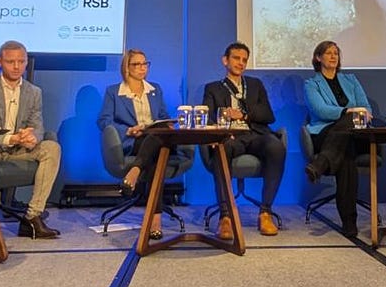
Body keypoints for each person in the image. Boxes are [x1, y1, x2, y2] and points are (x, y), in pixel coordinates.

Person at [0, 40, 62, 242]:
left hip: (20, 150)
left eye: (21, 61)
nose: (17, 66)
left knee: (51, 147)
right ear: (0, 62)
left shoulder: (34, 92)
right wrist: (10, 138)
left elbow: (37, 125)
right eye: (11, 62)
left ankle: (32, 218)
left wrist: (32, 138)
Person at [97, 48, 184, 241]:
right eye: (137, 64)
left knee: (155, 137)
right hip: (135, 141)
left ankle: (135, 170)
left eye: (145, 63)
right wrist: (128, 130)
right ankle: (155, 220)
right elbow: (104, 121)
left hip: (157, 139)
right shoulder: (114, 92)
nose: (142, 68)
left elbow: (162, 116)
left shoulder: (155, 90)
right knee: (155, 153)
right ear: (126, 68)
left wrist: (168, 123)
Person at [203, 41, 286, 238]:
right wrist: (218, 133)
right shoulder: (213, 88)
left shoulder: (255, 85)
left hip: (255, 134)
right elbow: (208, 117)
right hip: (230, 136)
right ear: (225, 61)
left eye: (244, 60)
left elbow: (268, 115)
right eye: (236, 58)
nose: (240, 63)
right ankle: (225, 217)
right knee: (222, 150)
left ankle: (265, 213)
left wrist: (244, 115)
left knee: (276, 147)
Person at [302, 40, 371, 237]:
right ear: (318, 58)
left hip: (355, 132)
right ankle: (349, 222)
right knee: (347, 156)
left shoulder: (351, 80)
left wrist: (355, 114)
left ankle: (321, 163)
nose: (333, 56)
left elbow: (366, 107)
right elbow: (320, 110)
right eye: (328, 53)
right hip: (324, 133)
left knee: (349, 127)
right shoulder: (311, 84)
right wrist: (348, 111)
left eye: (336, 53)